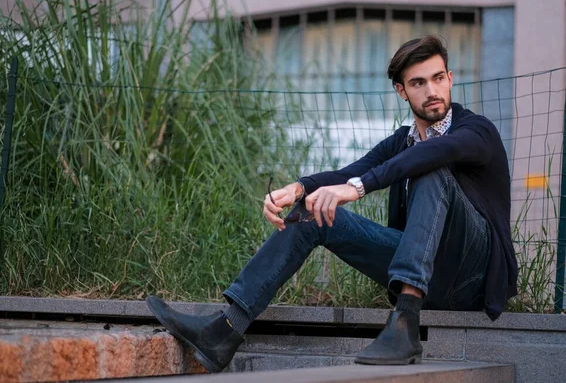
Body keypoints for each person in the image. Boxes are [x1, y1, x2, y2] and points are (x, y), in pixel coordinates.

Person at [146, 35, 518, 373]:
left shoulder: (476, 131)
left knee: (430, 165)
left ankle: (405, 324)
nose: (432, 90)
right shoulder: (402, 141)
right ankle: (225, 329)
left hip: (472, 275)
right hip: (427, 270)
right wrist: (298, 189)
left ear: (451, 78)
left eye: (438, 78)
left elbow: (439, 152)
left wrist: (358, 189)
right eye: (419, 82)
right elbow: (350, 171)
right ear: (402, 91)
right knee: (313, 215)